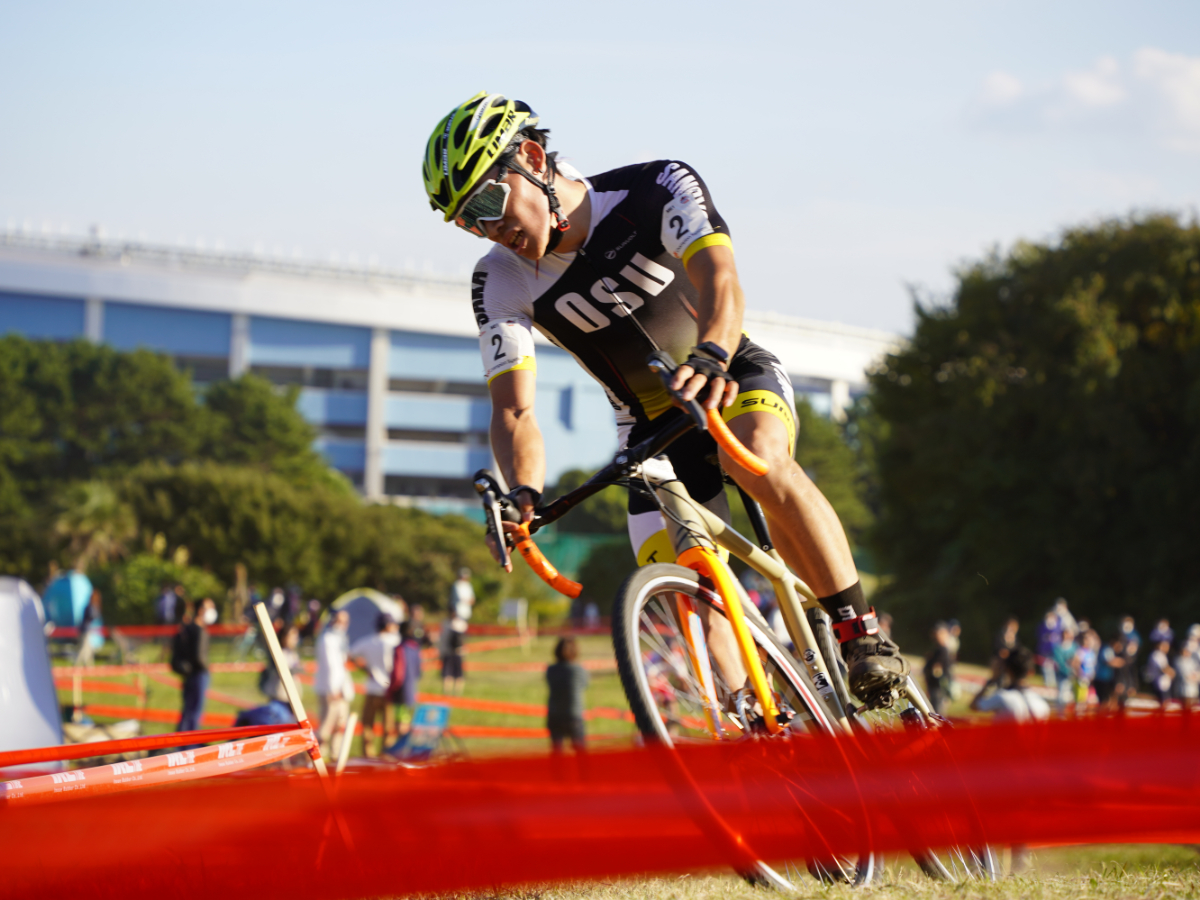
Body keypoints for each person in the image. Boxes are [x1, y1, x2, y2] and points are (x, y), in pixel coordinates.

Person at [425, 92, 907, 704]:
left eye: (489, 203)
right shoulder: (499, 278)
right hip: (647, 429)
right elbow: (515, 410)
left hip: (728, 372)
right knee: (694, 589)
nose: (492, 229)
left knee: (754, 457)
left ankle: (860, 634)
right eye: (470, 221)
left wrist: (711, 354)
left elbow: (720, 278)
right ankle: (759, 736)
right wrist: (523, 494)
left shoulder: (656, 188)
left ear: (530, 156)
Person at [349, 613, 400, 758]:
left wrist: (365, 669)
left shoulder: (367, 641)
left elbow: (351, 655)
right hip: (389, 690)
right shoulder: (395, 641)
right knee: (388, 728)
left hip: (372, 688)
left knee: (367, 726)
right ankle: (386, 756)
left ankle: (368, 756)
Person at [970, 646, 1051, 724]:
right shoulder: (1043, 704)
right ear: (1031, 672)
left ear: (1007, 670)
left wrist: (992, 680)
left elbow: (974, 706)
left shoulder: (1002, 698)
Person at [314, 609, 355, 759]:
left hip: (341, 688)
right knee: (326, 724)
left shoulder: (341, 638)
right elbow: (330, 665)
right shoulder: (327, 639)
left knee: (340, 724)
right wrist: (334, 688)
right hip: (330, 689)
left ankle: (335, 756)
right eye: (340, 621)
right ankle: (318, 757)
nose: (343, 625)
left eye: (345, 621)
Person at [172, 598, 214, 735]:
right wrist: (207, 668)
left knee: (188, 710)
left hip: (189, 674)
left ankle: (182, 742)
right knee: (194, 712)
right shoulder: (199, 630)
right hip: (198, 675)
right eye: (210, 607)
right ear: (201, 610)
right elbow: (199, 656)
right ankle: (188, 745)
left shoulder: (187, 628)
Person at [546, 636, 589, 753]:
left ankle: (558, 771)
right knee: (580, 752)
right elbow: (585, 683)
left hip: (554, 715)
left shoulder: (551, 670)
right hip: (573, 715)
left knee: (557, 751)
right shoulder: (578, 670)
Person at [387, 621, 423, 736]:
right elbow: (418, 672)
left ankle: (401, 750)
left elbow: (398, 674)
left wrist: (391, 689)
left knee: (400, 723)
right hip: (411, 690)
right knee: (407, 719)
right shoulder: (415, 648)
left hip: (400, 691)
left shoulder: (399, 649)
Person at [260, 625, 303, 704]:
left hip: (292, 694)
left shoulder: (293, 654)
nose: (295, 640)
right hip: (279, 693)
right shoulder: (279, 653)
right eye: (292, 637)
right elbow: (281, 670)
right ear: (284, 637)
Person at [923, 622, 954, 716]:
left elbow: (937, 670)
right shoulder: (937, 648)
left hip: (938, 687)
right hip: (934, 686)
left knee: (937, 713)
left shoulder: (943, 650)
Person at [1052, 628, 1078, 714]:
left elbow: (1078, 659)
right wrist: (1069, 671)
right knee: (1062, 697)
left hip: (1076, 676)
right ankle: (1061, 714)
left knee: (1077, 696)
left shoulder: (1075, 647)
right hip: (1063, 675)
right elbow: (1060, 663)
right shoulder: (1058, 648)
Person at [75, 588, 103, 666]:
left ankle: (89, 665)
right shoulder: (90, 607)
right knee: (83, 648)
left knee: (89, 648)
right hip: (85, 630)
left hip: (86, 629)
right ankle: (77, 664)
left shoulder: (88, 606)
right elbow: (93, 616)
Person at [1035, 610, 1062, 690]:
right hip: (1045, 651)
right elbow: (1039, 636)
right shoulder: (1042, 626)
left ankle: (1055, 684)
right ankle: (1049, 684)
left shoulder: (1058, 627)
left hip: (1056, 651)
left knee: (1056, 668)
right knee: (1047, 668)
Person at [1143, 639, 1175, 706]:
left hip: (1164, 684)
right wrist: (1172, 672)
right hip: (1160, 684)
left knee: (1166, 704)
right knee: (1163, 704)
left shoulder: (1162, 655)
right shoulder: (1157, 654)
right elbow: (1164, 668)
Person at [440, 616, 467, 695]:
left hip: (449, 653)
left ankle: (448, 693)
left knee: (449, 675)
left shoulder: (447, 625)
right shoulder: (461, 626)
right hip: (457, 653)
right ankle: (456, 694)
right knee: (457, 675)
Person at [990, 616, 1020, 686]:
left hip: (1011, 661)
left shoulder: (1015, 638)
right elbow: (998, 648)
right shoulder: (1001, 635)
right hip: (1000, 660)